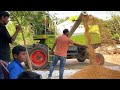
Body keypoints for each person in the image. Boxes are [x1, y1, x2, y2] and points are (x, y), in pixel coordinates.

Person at [0, 11, 21, 79]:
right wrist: (17, 30)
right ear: (2, 18)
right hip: (2, 58)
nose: (8, 20)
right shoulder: (2, 28)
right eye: (7, 18)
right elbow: (11, 40)